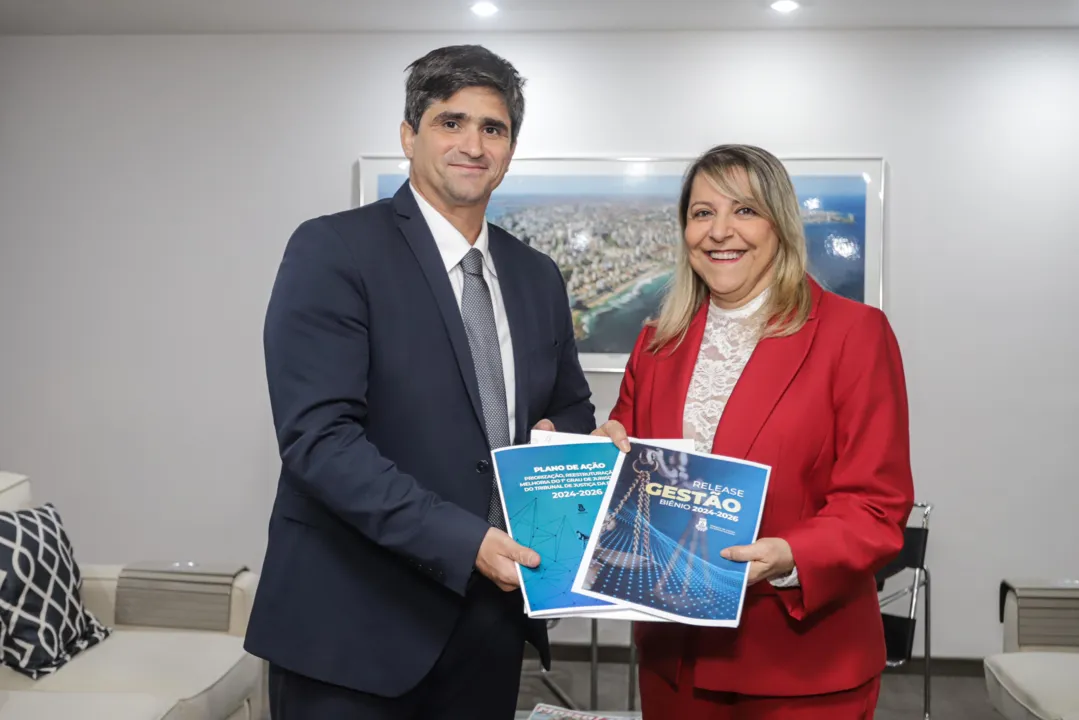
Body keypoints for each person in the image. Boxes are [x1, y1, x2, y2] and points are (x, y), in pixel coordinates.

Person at [243, 44, 596, 719]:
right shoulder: (333, 250)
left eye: (492, 128)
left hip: (491, 624)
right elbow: (320, 442)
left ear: (511, 148)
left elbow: (570, 404)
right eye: (450, 122)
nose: (472, 144)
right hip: (350, 629)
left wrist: (565, 444)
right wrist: (466, 543)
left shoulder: (536, 275)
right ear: (409, 135)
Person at [593, 144, 914, 719]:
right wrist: (602, 457)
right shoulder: (657, 342)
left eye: (744, 210)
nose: (720, 232)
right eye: (701, 213)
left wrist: (791, 554)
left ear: (779, 224)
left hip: (801, 662)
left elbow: (877, 507)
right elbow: (634, 470)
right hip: (675, 662)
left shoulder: (854, 334)